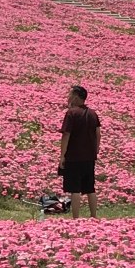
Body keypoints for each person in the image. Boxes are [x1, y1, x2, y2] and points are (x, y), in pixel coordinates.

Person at [58, 85, 101, 218]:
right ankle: (94, 216)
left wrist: (62, 155)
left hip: (74, 157)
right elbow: (98, 134)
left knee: (75, 189)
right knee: (90, 188)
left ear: (76, 97)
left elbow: (66, 135)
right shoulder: (93, 113)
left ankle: (75, 218)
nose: (68, 97)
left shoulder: (71, 113)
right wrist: (95, 150)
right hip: (89, 157)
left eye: (70, 95)